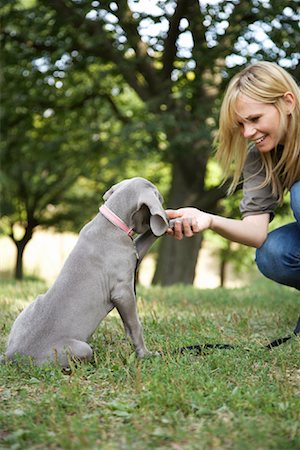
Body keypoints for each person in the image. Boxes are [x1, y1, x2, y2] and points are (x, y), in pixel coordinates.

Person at [167, 61, 300, 296]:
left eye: (255, 118)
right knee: (272, 252)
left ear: (288, 102)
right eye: (241, 124)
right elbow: (255, 232)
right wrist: (208, 220)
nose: (248, 133)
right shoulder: (260, 156)